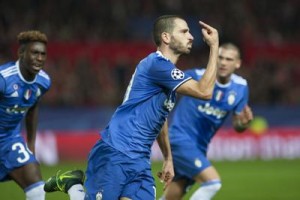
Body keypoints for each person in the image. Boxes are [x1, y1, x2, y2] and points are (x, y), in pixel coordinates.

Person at [44, 15, 219, 200]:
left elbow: (160, 118)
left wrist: (168, 158)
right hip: (116, 151)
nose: (191, 36)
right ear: (166, 37)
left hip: (140, 160)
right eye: (184, 31)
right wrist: (214, 47)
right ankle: (73, 186)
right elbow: (204, 91)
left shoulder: (167, 77)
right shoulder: (156, 65)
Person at [160, 43, 254, 200]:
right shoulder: (196, 76)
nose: (223, 62)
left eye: (229, 59)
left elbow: (237, 125)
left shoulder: (241, 87)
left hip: (200, 147)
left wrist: (243, 124)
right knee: (213, 182)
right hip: (179, 138)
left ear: (237, 63)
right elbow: (165, 87)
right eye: (220, 57)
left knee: (173, 195)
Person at [0, 30, 51, 200]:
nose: (39, 58)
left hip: (9, 140)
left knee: (37, 188)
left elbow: (32, 108)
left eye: (43, 54)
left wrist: (30, 144)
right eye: (34, 52)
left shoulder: (43, 82)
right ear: (21, 53)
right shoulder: (4, 80)